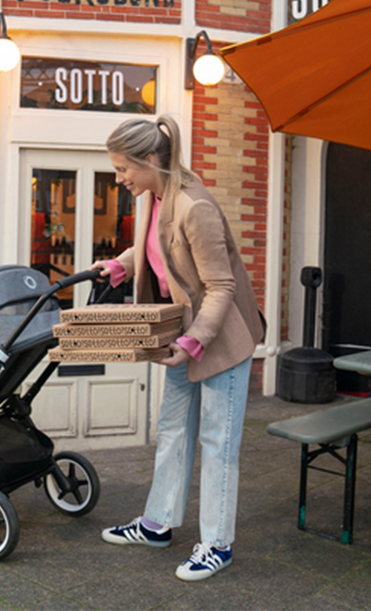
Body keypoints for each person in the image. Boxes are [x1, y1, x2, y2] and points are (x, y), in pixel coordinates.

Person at [93, 115, 265, 582]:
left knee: (217, 442)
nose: (119, 178)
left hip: (220, 340)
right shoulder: (154, 196)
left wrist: (194, 343)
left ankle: (216, 544)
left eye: (122, 168)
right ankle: (157, 524)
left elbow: (221, 286)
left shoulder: (195, 206)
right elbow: (159, 249)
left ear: (149, 160)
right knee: (172, 430)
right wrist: (120, 265)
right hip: (183, 336)